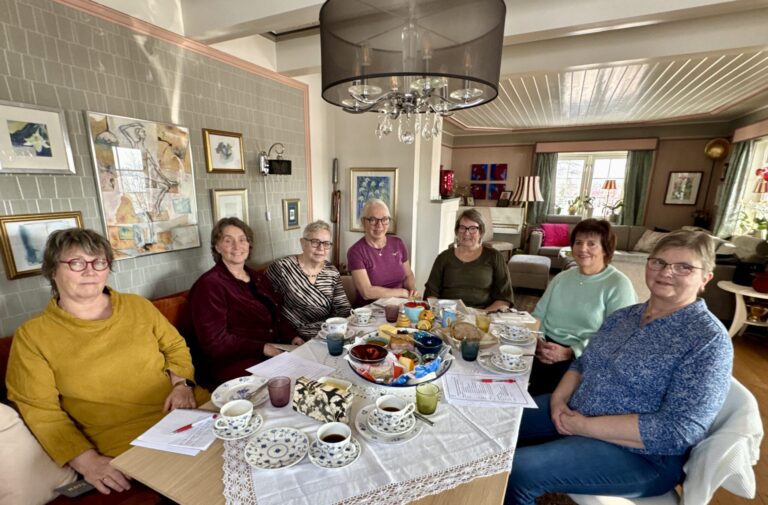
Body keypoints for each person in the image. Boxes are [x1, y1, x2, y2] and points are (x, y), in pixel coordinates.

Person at [505, 231, 733, 504]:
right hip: (575, 409)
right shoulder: (624, 316)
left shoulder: (708, 340)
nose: (666, 272)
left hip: (641, 456)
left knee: (519, 471)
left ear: (705, 278)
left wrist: (584, 426)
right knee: (497, 420)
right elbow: (582, 363)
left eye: (684, 267)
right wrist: (558, 399)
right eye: (658, 262)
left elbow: (678, 430)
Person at [6, 228, 209, 496]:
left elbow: (175, 347)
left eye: (99, 262)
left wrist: (182, 384)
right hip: (130, 442)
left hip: (193, 412)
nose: (90, 271)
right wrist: (86, 461)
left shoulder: (137, 306)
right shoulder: (32, 337)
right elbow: (41, 412)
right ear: (53, 270)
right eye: (77, 262)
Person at [188, 217, 301, 386]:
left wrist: (292, 336)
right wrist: (262, 348)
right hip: (234, 363)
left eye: (242, 240)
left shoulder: (257, 277)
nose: (237, 246)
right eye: (228, 241)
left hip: (272, 352)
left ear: (249, 244)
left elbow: (276, 314)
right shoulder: (209, 285)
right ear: (217, 247)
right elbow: (215, 343)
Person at [529, 219, 635, 395]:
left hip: (583, 357)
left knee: (543, 399)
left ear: (605, 249)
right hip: (543, 349)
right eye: (578, 242)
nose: (582, 248)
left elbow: (617, 335)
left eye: (591, 244)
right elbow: (538, 314)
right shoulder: (561, 278)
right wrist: (538, 341)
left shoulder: (618, 284)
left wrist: (571, 352)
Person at [266, 220, 351, 339]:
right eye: (315, 242)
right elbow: (266, 307)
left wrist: (338, 327)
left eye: (326, 243)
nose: (321, 248)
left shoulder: (331, 271)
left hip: (326, 333)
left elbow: (343, 307)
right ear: (302, 243)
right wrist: (290, 335)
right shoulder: (282, 268)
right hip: (293, 336)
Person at [424, 209, 513, 311]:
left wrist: (482, 315)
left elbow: (504, 298)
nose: (466, 233)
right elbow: (431, 293)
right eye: (462, 228)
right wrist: (439, 311)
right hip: (448, 314)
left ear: (481, 231)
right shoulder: (444, 257)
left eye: (473, 228)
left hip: (483, 315)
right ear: (457, 231)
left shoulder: (494, 257)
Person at [347, 199, 418, 305]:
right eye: (373, 220)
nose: (379, 225)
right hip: (370, 310)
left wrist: (412, 289)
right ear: (363, 222)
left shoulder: (398, 243)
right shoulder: (355, 252)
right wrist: (401, 292)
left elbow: (408, 275)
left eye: (384, 219)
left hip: (400, 305)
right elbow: (367, 292)